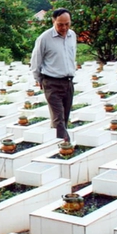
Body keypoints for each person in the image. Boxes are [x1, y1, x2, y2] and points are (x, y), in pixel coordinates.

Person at [30, 8, 77, 141]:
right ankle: (65, 146)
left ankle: (54, 142)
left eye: (67, 24)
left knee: (65, 117)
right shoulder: (44, 38)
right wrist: (39, 80)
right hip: (51, 82)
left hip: (68, 82)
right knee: (58, 119)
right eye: (60, 24)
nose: (64, 27)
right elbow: (36, 61)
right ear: (53, 21)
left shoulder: (72, 35)